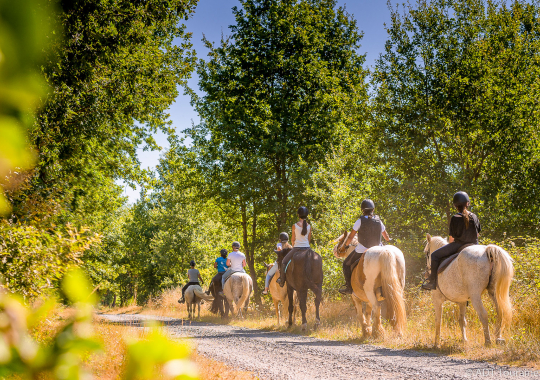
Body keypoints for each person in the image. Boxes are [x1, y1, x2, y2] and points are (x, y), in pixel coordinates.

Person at [422, 191, 481, 291]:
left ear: (455, 206)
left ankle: (432, 282)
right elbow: (477, 234)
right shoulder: (474, 217)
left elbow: (451, 240)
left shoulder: (455, 218)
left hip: (459, 245)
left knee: (434, 256)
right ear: (467, 203)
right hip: (475, 244)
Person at [339, 199, 391, 295]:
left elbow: (350, 237)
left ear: (362, 210)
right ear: (373, 209)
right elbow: (386, 237)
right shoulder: (379, 221)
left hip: (362, 249)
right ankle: (385, 286)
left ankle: (349, 288)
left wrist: (346, 245)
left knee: (346, 264)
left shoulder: (359, 221)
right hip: (379, 249)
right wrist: (389, 239)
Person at [277, 206, 312, 287]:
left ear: (298, 215)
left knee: (284, 261)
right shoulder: (309, 226)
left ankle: (282, 280)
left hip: (297, 248)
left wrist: (293, 246)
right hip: (307, 248)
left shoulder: (295, 226)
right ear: (306, 215)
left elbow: (293, 239)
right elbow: (309, 240)